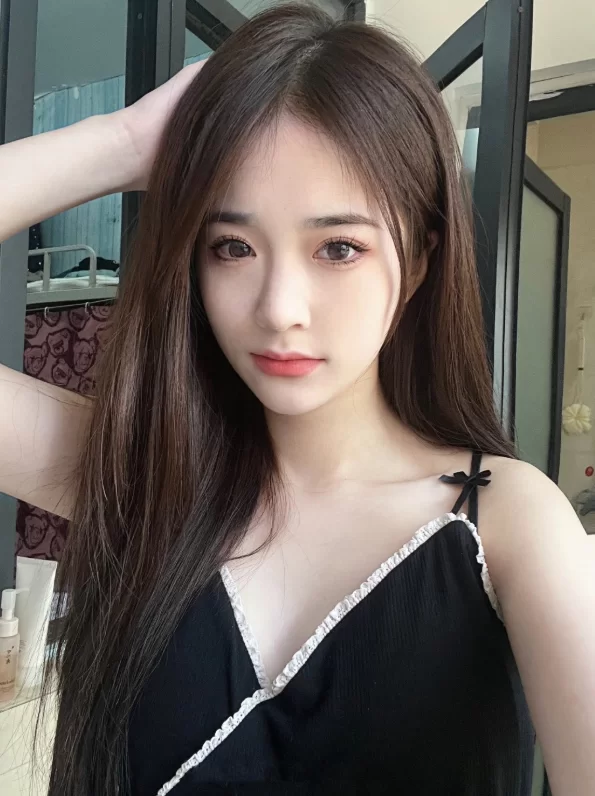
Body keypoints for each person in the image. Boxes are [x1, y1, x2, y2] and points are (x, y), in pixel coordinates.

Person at [0, 5, 593, 795]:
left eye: (338, 248)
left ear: (419, 261)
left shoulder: (507, 524)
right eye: (232, 247)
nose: (279, 307)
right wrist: (124, 142)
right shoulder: (135, 473)